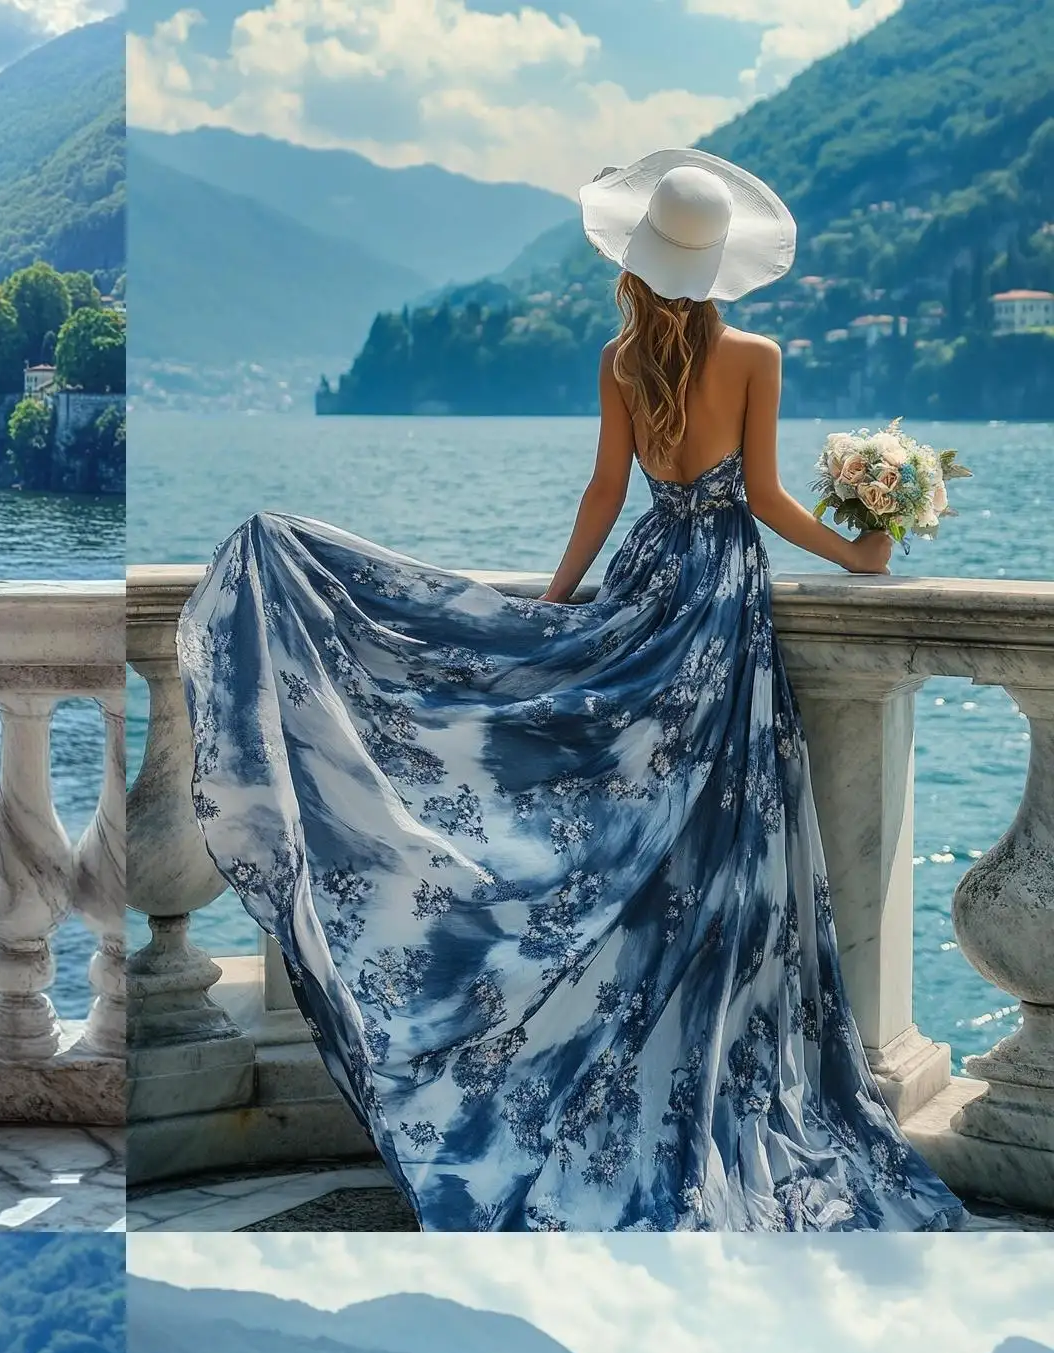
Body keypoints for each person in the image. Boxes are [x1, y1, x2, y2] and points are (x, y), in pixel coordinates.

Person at [177, 149, 963, 1231]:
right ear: (719, 264)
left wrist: (544, 614)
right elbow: (767, 500)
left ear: (639, 263)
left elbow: (605, 492)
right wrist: (857, 554)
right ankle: (697, 1050)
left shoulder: (617, 359)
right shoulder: (754, 355)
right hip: (717, 607)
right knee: (708, 837)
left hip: (645, 580)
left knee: (612, 829)